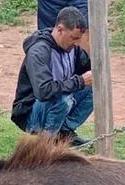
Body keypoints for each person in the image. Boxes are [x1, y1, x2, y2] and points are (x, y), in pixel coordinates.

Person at [10, 6, 93, 147]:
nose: (77, 43)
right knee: (62, 98)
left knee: (95, 89)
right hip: (31, 113)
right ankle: (45, 143)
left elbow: (89, 69)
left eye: (79, 39)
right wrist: (79, 81)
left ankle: (63, 133)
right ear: (60, 30)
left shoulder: (72, 48)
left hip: (56, 102)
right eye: (74, 38)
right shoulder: (39, 51)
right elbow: (44, 91)